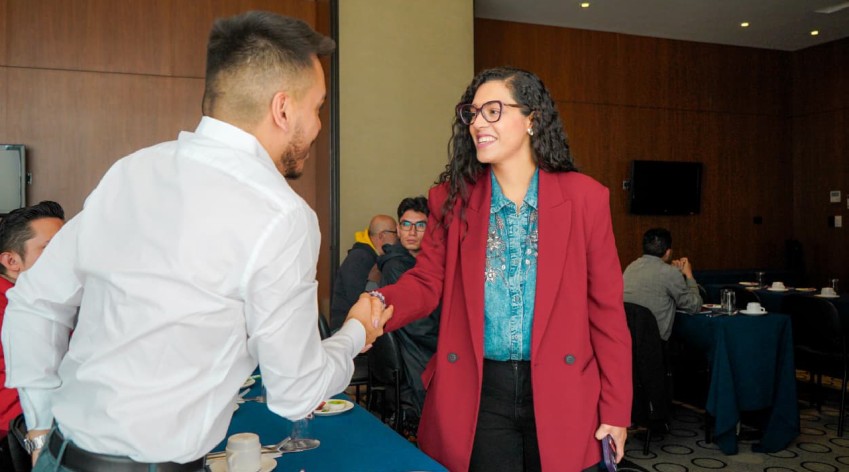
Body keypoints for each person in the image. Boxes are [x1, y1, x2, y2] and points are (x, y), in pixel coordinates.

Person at [3, 11, 391, 471]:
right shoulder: (281, 215)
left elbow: (34, 302)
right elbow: (296, 393)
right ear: (283, 109)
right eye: (318, 107)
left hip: (58, 455)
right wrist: (355, 334)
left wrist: (42, 428)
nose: (318, 125)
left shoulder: (131, 170)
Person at [369, 67, 632, 471]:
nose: (477, 123)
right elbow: (426, 282)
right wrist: (378, 305)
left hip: (563, 392)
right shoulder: (452, 199)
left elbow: (608, 313)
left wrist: (616, 410)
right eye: (472, 113)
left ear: (533, 119)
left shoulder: (585, 199)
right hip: (478, 391)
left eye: (492, 111)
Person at [0, 201, 65, 466]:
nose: (65, 260)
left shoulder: (51, 299)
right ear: (11, 260)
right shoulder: (10, 308)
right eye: (50, 250)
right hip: (18, 439)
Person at [376, 196, 440, 431]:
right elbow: (419, 326)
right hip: (414, 350)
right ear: (398, 230)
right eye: (406, 224)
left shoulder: (424, 264)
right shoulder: (396, 266)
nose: (412, 232)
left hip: (419, 346)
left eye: (420, 225)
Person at [623, 228, 703, 341]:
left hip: (629, 340)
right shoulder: (670, 273)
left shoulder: (631, 267)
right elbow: (694, 306)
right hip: (655, 344)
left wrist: (675, 273)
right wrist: (689, 275)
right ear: (668, 252)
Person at [329, 214, 397, 331]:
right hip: (346, 331)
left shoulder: (372, 257)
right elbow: (355, 301)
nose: (398, 237)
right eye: (395, 233)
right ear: (382, 235)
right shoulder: (360, 258)